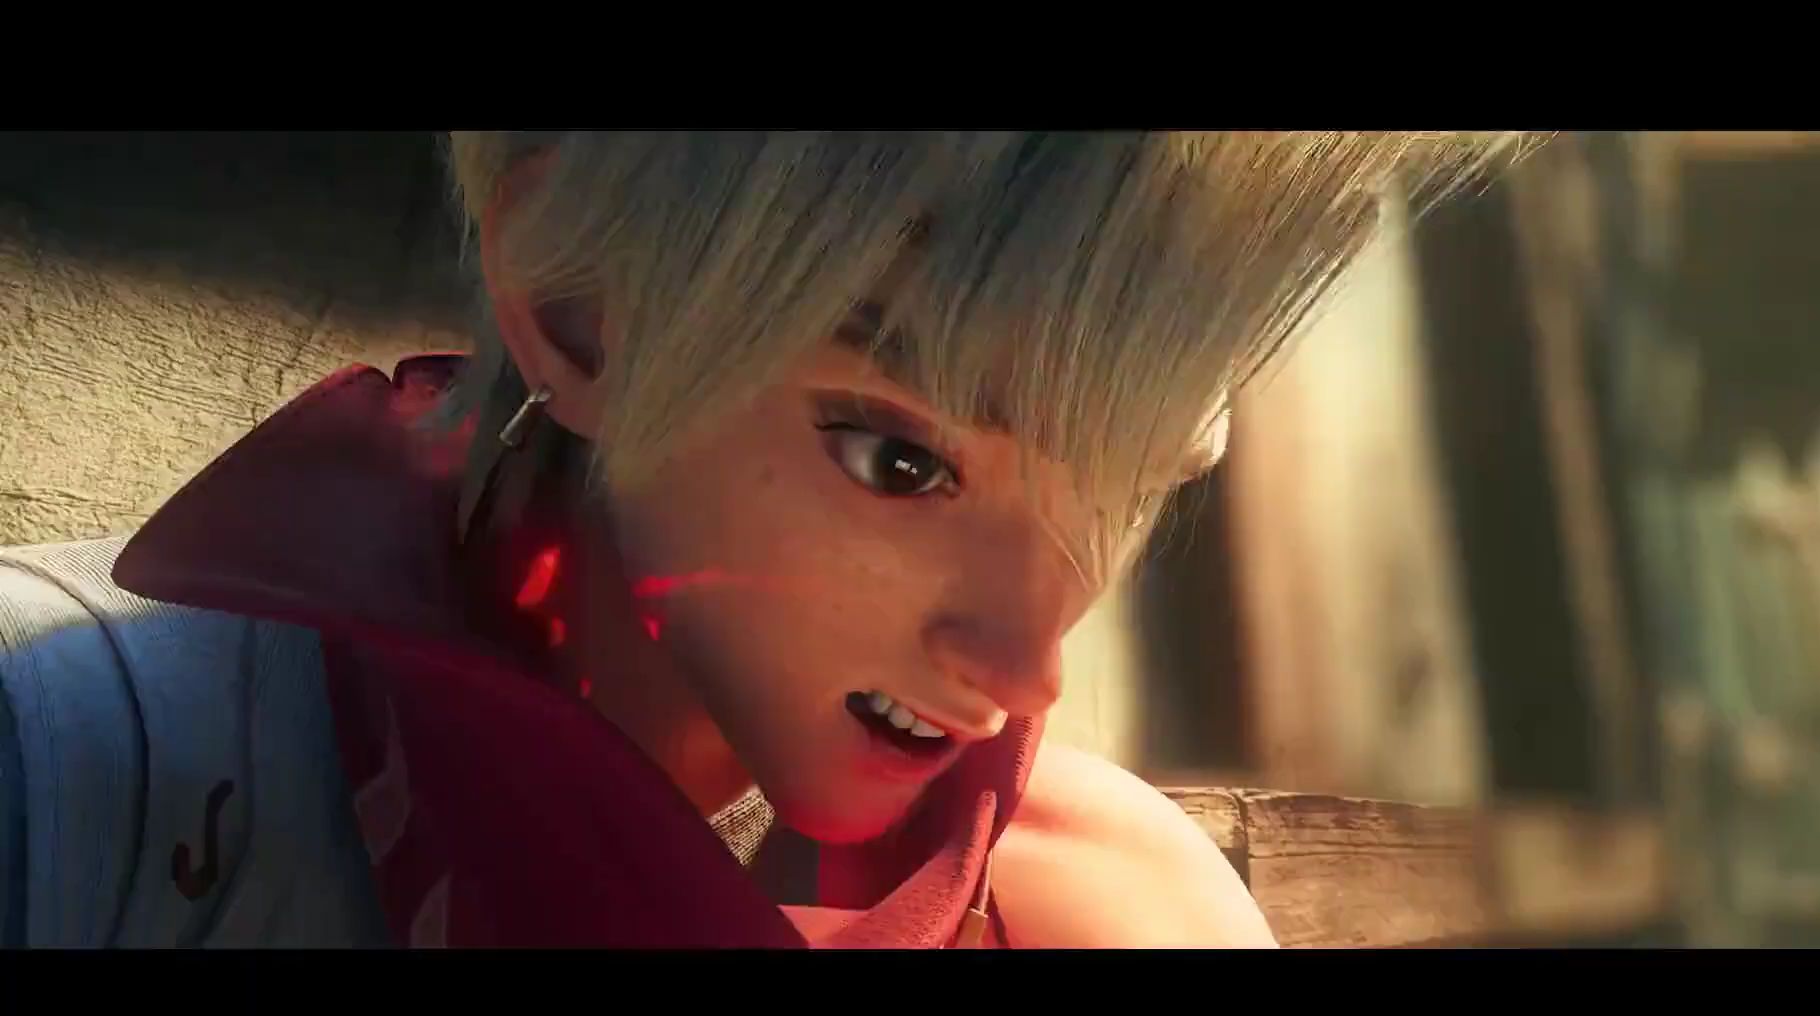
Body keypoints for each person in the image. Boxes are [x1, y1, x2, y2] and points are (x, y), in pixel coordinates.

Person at [0, 131, 1525, 948]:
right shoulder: (64, 755)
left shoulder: (1096, 899)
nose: (1028, 663)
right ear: (583, 306)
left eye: (1130, 488)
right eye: (901, 458)